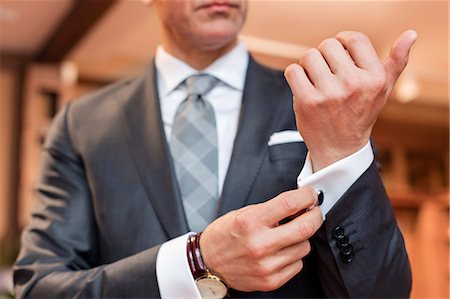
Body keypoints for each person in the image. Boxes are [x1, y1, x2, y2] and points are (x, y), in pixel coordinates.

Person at [14, 0, 416, 298]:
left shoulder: (324, 102)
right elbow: (41, 287)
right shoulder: (82, 123)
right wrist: (196, 260)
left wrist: (344, 149)